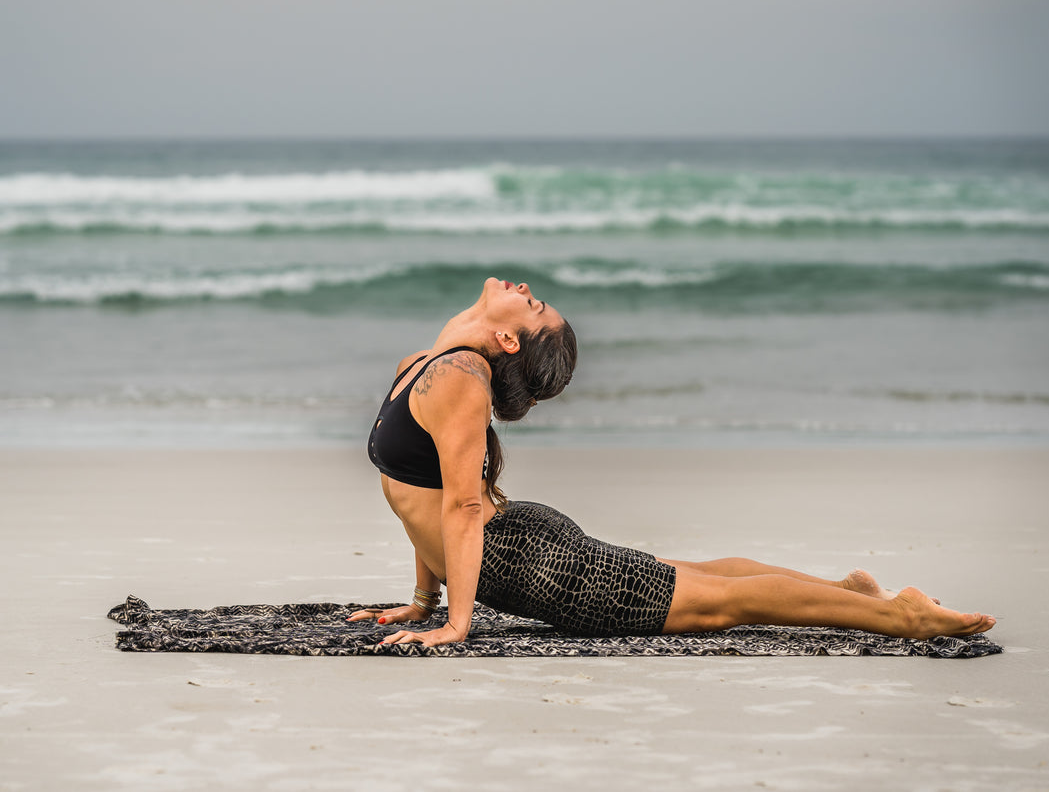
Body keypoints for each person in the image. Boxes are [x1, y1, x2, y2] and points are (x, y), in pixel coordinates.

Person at [348, 277, 996, 646]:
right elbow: (429, 492)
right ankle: (847, 590)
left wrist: (455, 625)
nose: (524, 288)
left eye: (533, 302)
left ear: (507, 337)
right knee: (704, 576)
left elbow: (460, 505)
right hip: (522, 548)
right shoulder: (430, 365)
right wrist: (421, 599)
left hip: (533, 564)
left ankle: (899, 615)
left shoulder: (458, 374)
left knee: (719, 603)